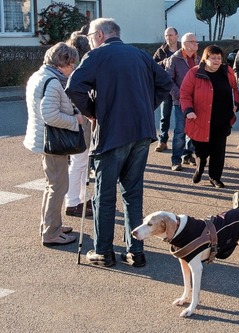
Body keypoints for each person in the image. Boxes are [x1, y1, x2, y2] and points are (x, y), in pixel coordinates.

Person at [67, 18, 172, 267]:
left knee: (104, 195)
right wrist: (146, 107)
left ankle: (103, 251)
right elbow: (166, 83)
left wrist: (94, 112)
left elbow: (73, 87)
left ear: (100, 35)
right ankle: (135, 252)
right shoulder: (140, 54)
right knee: (133, 193)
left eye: (91, 36)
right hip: (141, 132)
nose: (90, 41)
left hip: (112, 134)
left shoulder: (97, 56)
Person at [24, 42, 81, 246]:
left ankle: (51, 225)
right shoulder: (53, 81)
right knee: (58, 187)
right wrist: (76, 121)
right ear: (61, 63)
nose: (73, 68)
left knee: (52, 187)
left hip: (43, 140)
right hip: (53, 143)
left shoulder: (39, 76)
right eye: (71, 64)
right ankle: (51, 233)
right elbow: (50, 115)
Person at [180, 45, 239, 188]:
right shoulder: (194, 73)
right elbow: (184, 94)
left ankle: (215, 177)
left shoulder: (227, 71)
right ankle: (200, 168)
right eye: (213, 58)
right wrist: (188, 110)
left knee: (218, 151)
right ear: (205, 58)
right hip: (200, 118)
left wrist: (236, 103)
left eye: (219, 58)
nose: (217, 61)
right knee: (202, 150)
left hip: (222, 118)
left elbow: (235, 89)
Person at [64, 32, 93, 218]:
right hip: (80, 120)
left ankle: (81, 198)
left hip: (78, 119)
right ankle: (73, 201)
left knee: (81, 162)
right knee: (79, 161)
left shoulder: (71, 69)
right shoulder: (80, 69)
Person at [165, 32, 198, 171]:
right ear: (185, 44)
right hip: (181, 102)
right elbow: (168, 81)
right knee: (180, 131)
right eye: (193, 42)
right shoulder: (174, 59)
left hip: (197, 102)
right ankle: (176, 160)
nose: (196, 44)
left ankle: (188, 155)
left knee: (193, 131)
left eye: (196, 42)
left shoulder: (199, 59)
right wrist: (180, 95)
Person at [152, 27, 181, 153]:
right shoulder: (161, 51)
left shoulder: (183, 49)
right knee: (165, 116)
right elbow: (153, 66)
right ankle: (162, 141)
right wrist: (166, 61)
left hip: (180, 87)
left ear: (177, 36)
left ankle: (184, 145)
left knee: (181, 116)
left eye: (171, 35)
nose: (168, 38)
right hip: (166, 88)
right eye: (166, 35)